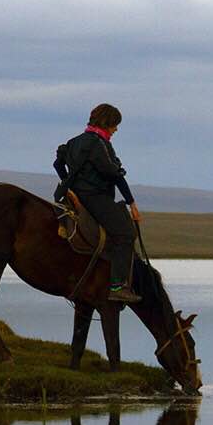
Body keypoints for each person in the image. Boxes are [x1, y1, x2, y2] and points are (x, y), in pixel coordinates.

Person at [54, 103, 143, 303]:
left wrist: (69, 184)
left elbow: (58, 163)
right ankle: (117, 286)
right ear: (107, 123)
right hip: (95, 198)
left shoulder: (74, 141)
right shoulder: (99, 144)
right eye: (114, 126)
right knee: (126, 234)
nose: (115, 130)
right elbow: (114, 174)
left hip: (75, 196)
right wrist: (131, 203)